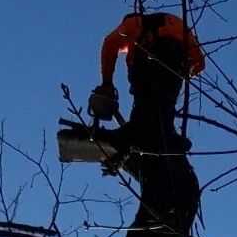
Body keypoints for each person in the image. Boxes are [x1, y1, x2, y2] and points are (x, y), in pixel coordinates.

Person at [87, 9, 205, 161]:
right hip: (174, 65)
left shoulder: (132, 23)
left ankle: (134, 136)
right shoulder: (177, 24)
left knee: (144, 107)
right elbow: (200, 63)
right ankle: (164, 135)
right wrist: (185, 73)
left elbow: (110, 42)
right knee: (163, 107)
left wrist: (107, 82)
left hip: (148, 61)